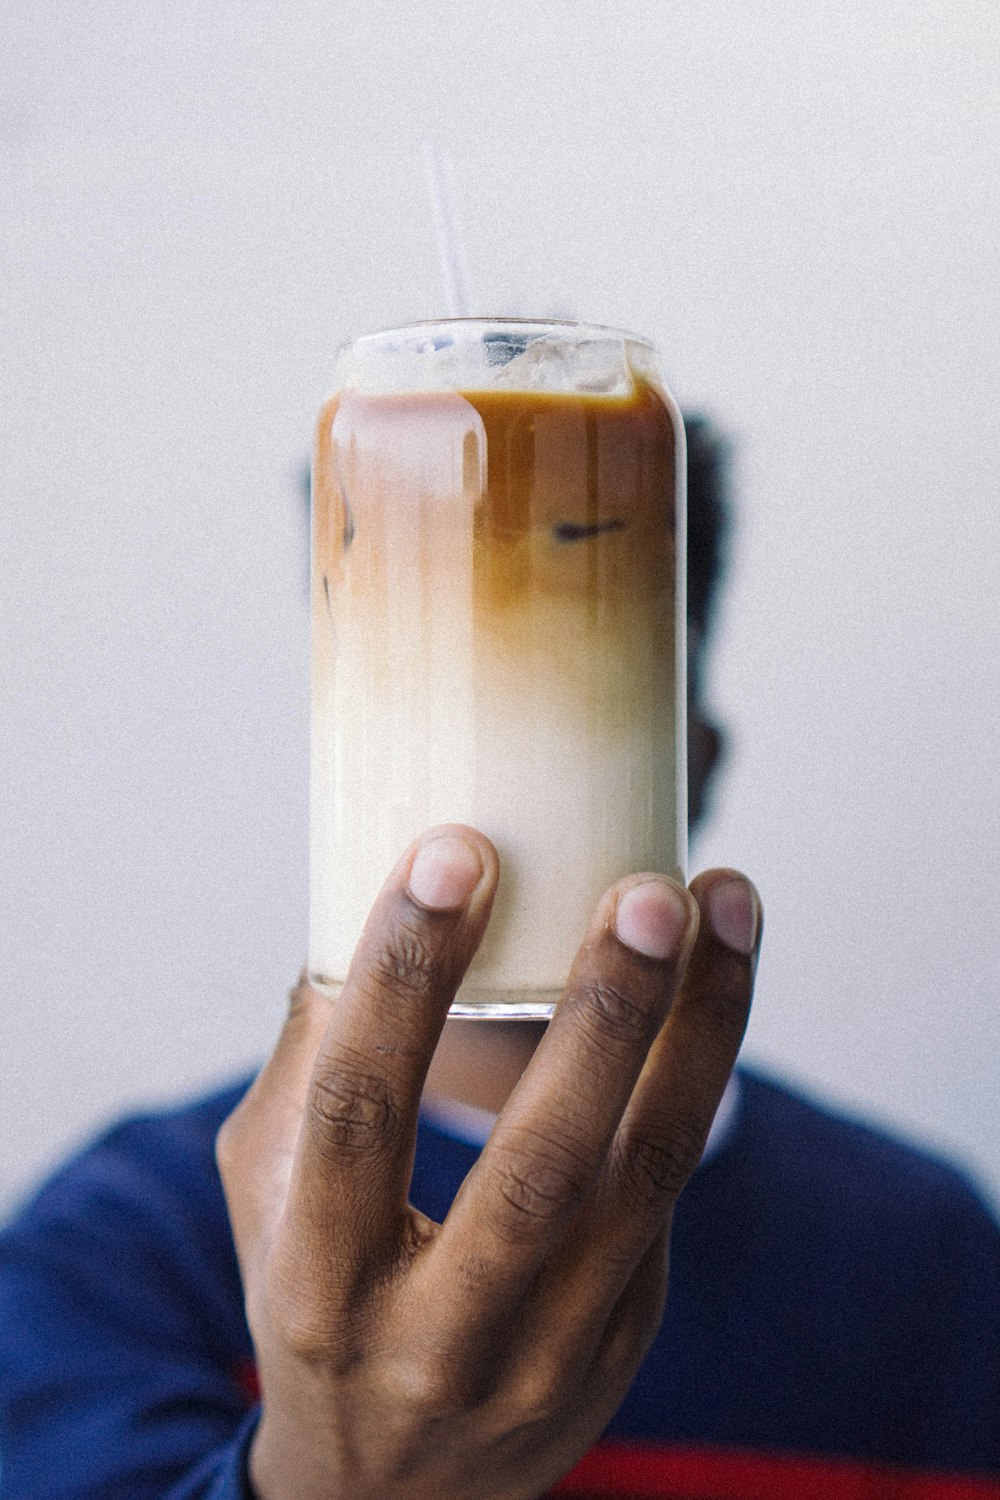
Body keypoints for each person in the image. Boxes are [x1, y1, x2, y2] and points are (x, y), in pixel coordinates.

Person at [1, 420, 998, 1500]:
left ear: (691, 766)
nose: (481, 809)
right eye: (420, 701)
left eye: (567, 694)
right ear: (346, 756)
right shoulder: (127, 1242)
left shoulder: (925, 1259)